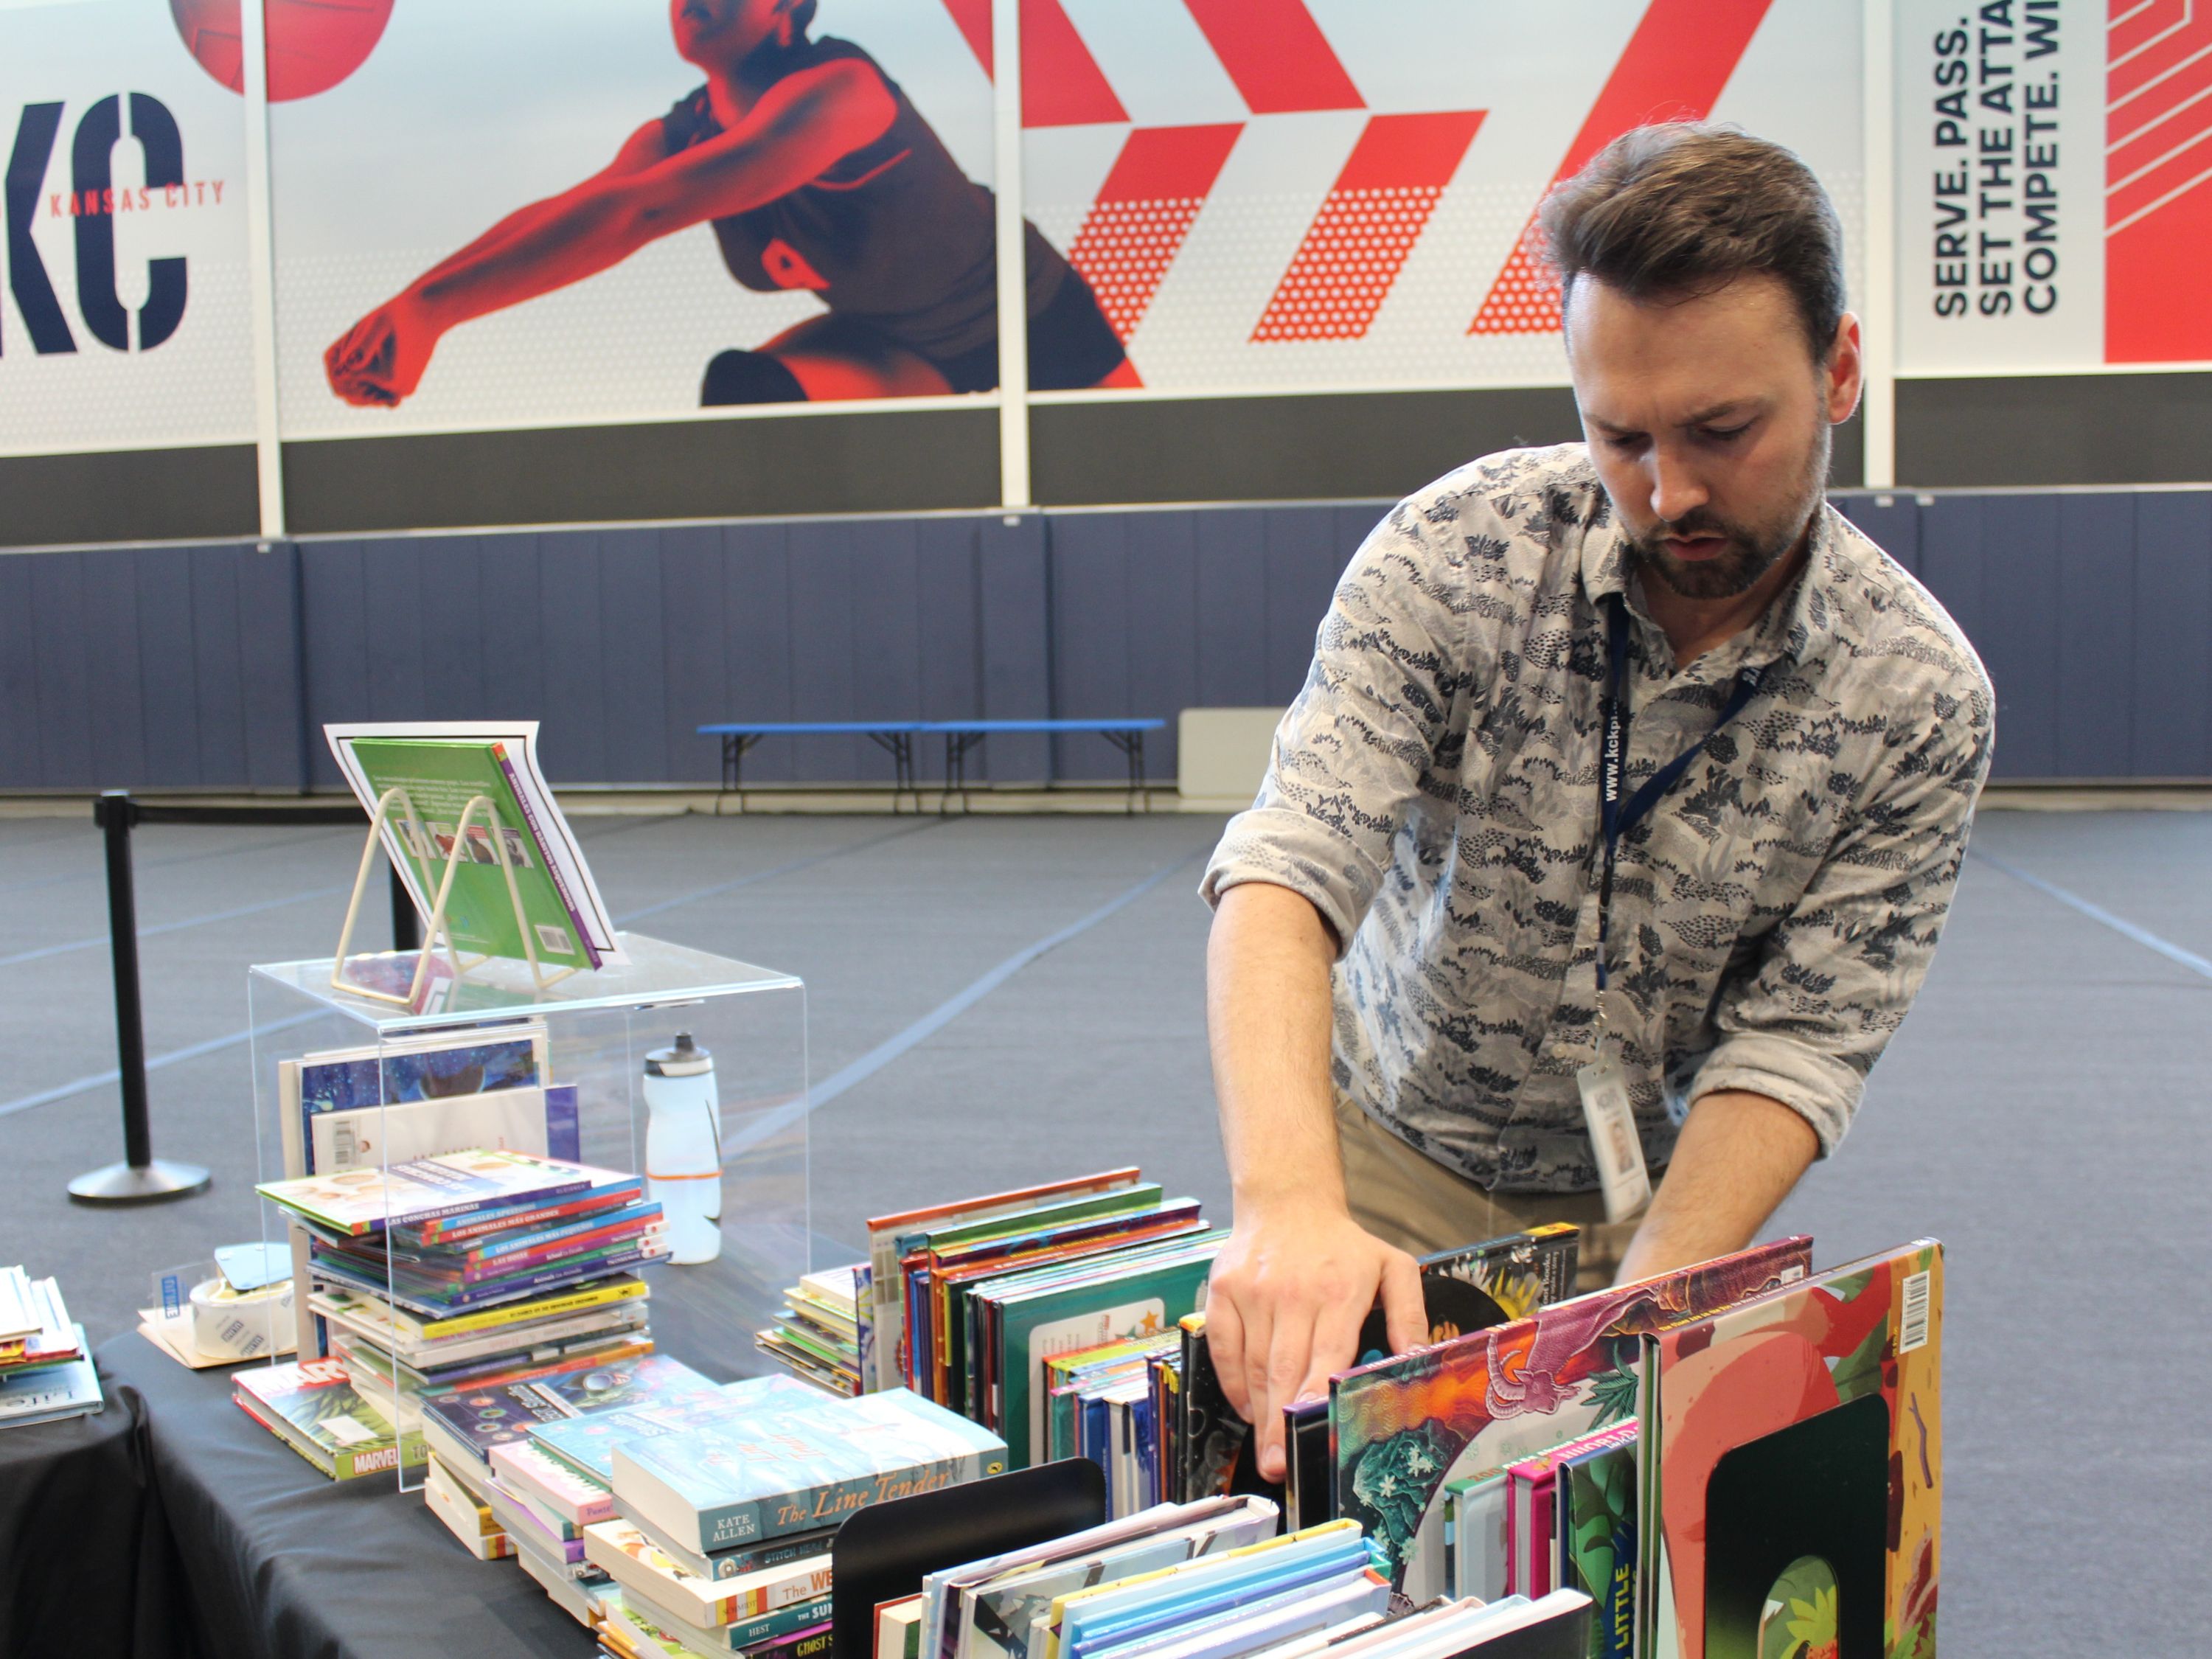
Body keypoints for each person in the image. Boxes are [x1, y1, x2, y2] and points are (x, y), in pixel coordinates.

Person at [1197, 124, 1993, 1483]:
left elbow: (1797, 1048)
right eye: (1620, 435)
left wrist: (1651, 1300)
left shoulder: (1918, 698)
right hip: (1375, 1160)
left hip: (1646, 1210)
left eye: (1723, 431)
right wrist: (1286, 1208)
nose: (1669, 490)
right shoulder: (1459, 550)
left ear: (1840, 370)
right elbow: (1290, 866)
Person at [324, 0, 1134, 409]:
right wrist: (410, 304)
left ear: (789, 7)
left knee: (1128, 492)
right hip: (892, 343)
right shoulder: (684, 129)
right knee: (748, 396)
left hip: (1036, 326)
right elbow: (578, 210)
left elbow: (635, 216)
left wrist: (433, 310)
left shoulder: (838, 92)